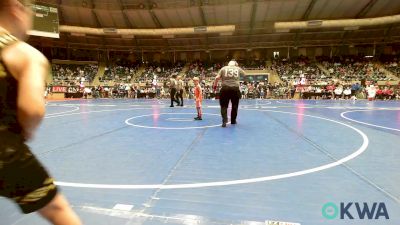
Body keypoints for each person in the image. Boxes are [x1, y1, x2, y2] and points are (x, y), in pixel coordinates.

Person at [0, 1, 81, 224]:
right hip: (4, 150)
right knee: (57, 209)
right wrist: (26, 131)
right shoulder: (23, 54)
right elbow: (32, 110)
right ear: (16, 9)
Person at [213, 60, 244, 127]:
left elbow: (217, 78)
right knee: (235, 106)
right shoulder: (237, 68)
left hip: (225, 89)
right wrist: (237, 67)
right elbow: (244, 74)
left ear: (228, 64)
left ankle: (224, 121)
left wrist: (215, 86)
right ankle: (233, 121)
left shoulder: (223, 68)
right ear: (235, 64)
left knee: (223, 106)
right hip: (235, 89)